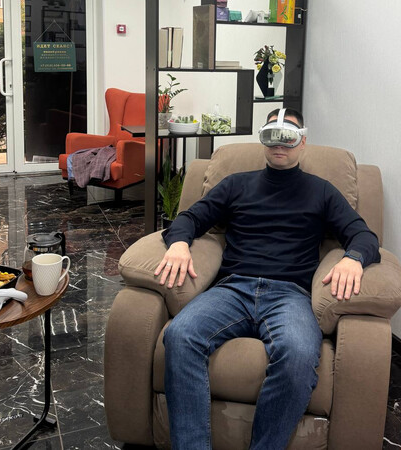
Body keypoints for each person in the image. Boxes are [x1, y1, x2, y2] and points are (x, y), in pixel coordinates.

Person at [154, 107, 380, 450]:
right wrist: (179, 243)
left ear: (302, 142)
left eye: (289, 137)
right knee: (181, 335)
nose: (280, 144)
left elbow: (364, 236)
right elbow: (190, 218)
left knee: (299, 355)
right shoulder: (235, 184)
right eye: (273, 135)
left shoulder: (322, 191)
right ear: (263, 138)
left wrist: (354, 258)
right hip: (233, 288)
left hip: (290, 295)